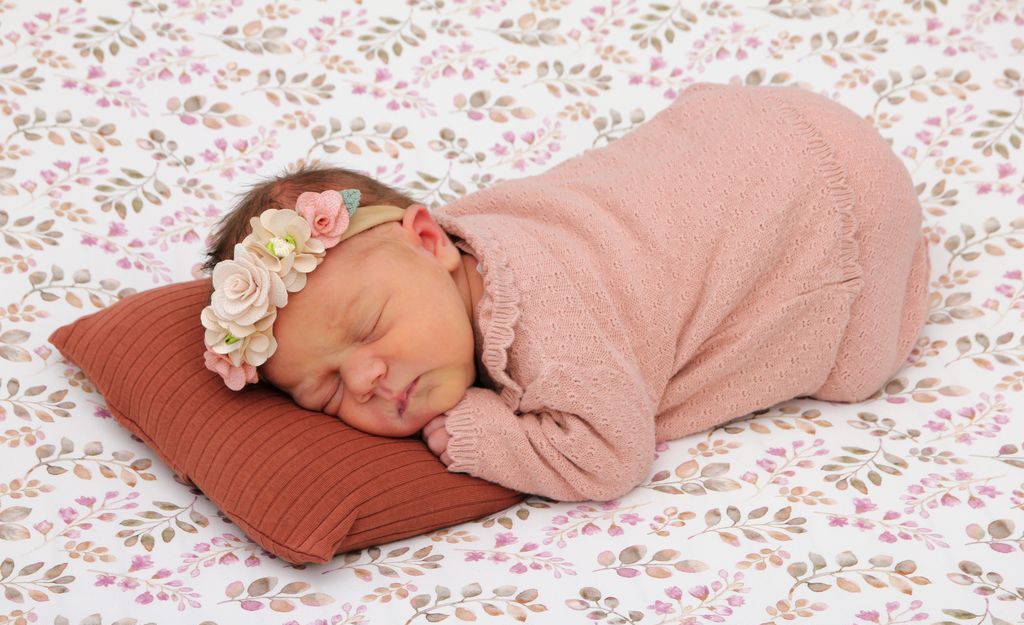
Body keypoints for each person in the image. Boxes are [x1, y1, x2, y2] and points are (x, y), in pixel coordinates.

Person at [198, 81, 931, 502]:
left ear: (431, 239)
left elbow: (613, 456)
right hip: (754, 119)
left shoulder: (551, 334)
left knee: (849, 360)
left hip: (838, 201)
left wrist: (482, 431)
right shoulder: (448, 254)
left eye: (368, 327)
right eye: (325, 392)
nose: (363, 380)